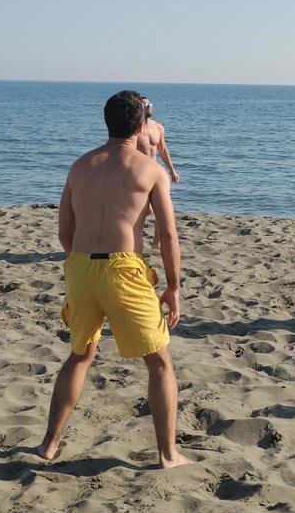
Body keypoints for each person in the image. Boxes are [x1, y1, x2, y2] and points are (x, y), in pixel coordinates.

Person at [37, 90, 189, 469]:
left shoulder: (80, 166)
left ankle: (49, 445)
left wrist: (81, 263)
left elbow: (64, 231)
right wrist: (173, 286)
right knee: (160, 363)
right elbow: (168, 234)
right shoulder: (149, 170)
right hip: (124, 269)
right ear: (141, 126)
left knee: (80, 356)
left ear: (105, 123)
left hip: (82, 267)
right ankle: (168, 455)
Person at [135, 97, 181, 184]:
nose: (149, 107)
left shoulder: (158, 127)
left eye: (150, 105)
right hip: (137, 173)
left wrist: (172, 170)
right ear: (139, 108)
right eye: (145, 105)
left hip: (153, 171)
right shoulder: (133, 129)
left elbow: (162, 150)